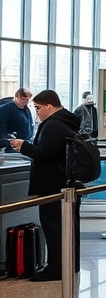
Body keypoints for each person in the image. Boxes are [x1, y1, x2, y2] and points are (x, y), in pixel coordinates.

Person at [8, 90, 81, 282]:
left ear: (49, 106)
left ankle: (56, 269)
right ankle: (68, 264)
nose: (37, 112)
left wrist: (23, 146)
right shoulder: (67, 121)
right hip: (63, 182)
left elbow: (44, 153)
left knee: (53, 227)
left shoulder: (54, 125)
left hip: (52, 186)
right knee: (65, 227)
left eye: (38, 108)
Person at [0, 87, 33, 152]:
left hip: (23, 143)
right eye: (24, 99)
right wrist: (6, 140)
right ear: (17, 96)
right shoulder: (6, 108)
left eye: (28, 100)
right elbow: (1, 125)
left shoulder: (25, 109)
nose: (26, 102)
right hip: (11, 145)